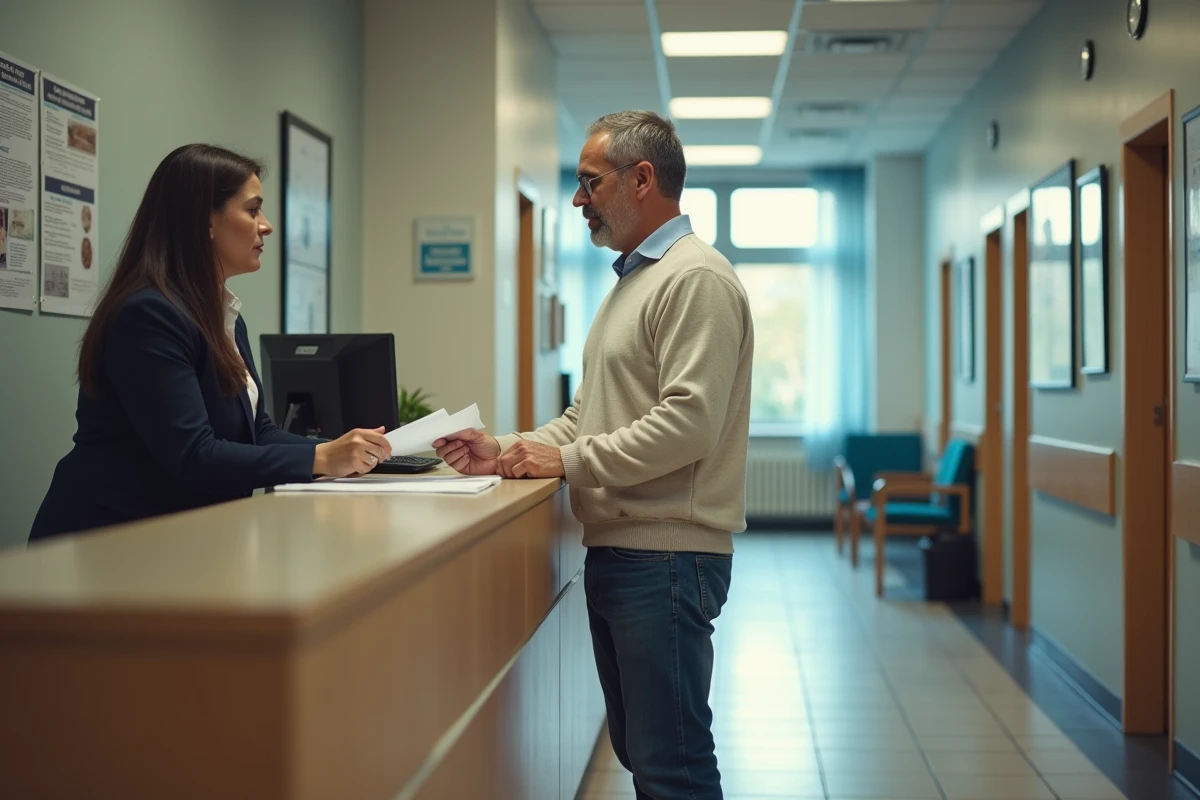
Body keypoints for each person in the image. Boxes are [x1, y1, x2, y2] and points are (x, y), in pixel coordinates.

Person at [435, 111, 753, 800]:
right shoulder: (633, 281)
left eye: (590, 182)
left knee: (674, 767)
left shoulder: (694, 279)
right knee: (644, 753)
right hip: (624, 552)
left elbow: (689, 423)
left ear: (643, 180)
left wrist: (568, 463)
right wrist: (511, 449)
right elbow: (592, 417)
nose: (578, 200)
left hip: (666, 556)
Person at [30, 144, 390, 541]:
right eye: (252, 210)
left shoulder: (221, 315)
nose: (266, 225)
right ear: (206, 222)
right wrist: (320, 457)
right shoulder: (149, 314)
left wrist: (350, 449)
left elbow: (259, 432)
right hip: (108, 542)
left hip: (177, 540)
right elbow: (192, 455)